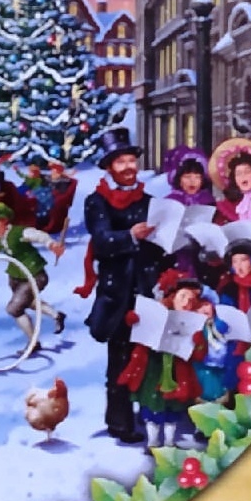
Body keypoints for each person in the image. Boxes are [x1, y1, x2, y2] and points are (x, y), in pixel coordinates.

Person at [80, 127, 168, 444]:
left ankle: (148, 414)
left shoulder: (149, 201)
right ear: (109, 167)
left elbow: (160, 247)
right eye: (121, 162)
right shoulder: (96, 202)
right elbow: (102, 241)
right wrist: (131, 236)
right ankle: (119, 421)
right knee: (119, 361)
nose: (129, 167)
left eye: (131, 160)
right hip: (117, 294)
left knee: (148, 357)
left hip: (147, 289)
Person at [117, 269, 205, 449]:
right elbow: (140, 332)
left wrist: (198, 343)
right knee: (153, 407)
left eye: (191, 299)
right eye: (183, 296)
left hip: (177, 373)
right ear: (173, 296)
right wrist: (134, 321)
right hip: (153, 369)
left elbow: (198, 355)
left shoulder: (195, 322)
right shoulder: (158, 312)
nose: (186, 302)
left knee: (172, 410)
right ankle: (153, 442)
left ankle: (170, 442)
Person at [0, 202, 66, 353]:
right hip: (15, 277)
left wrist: (52, 245)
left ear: (4, 220)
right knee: (28, 302)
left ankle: (33, 343)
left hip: (34, 274)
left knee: (14, 309)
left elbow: (39, 236)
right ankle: (57, 315)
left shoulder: (19, 232)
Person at [162, 145, 215, 282]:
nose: (193, 181)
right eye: (187, 176)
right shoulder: (169, 202)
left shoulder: (209, 201)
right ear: (178, 178)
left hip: (203, 260)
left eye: (197, 177)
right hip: (175, 258)